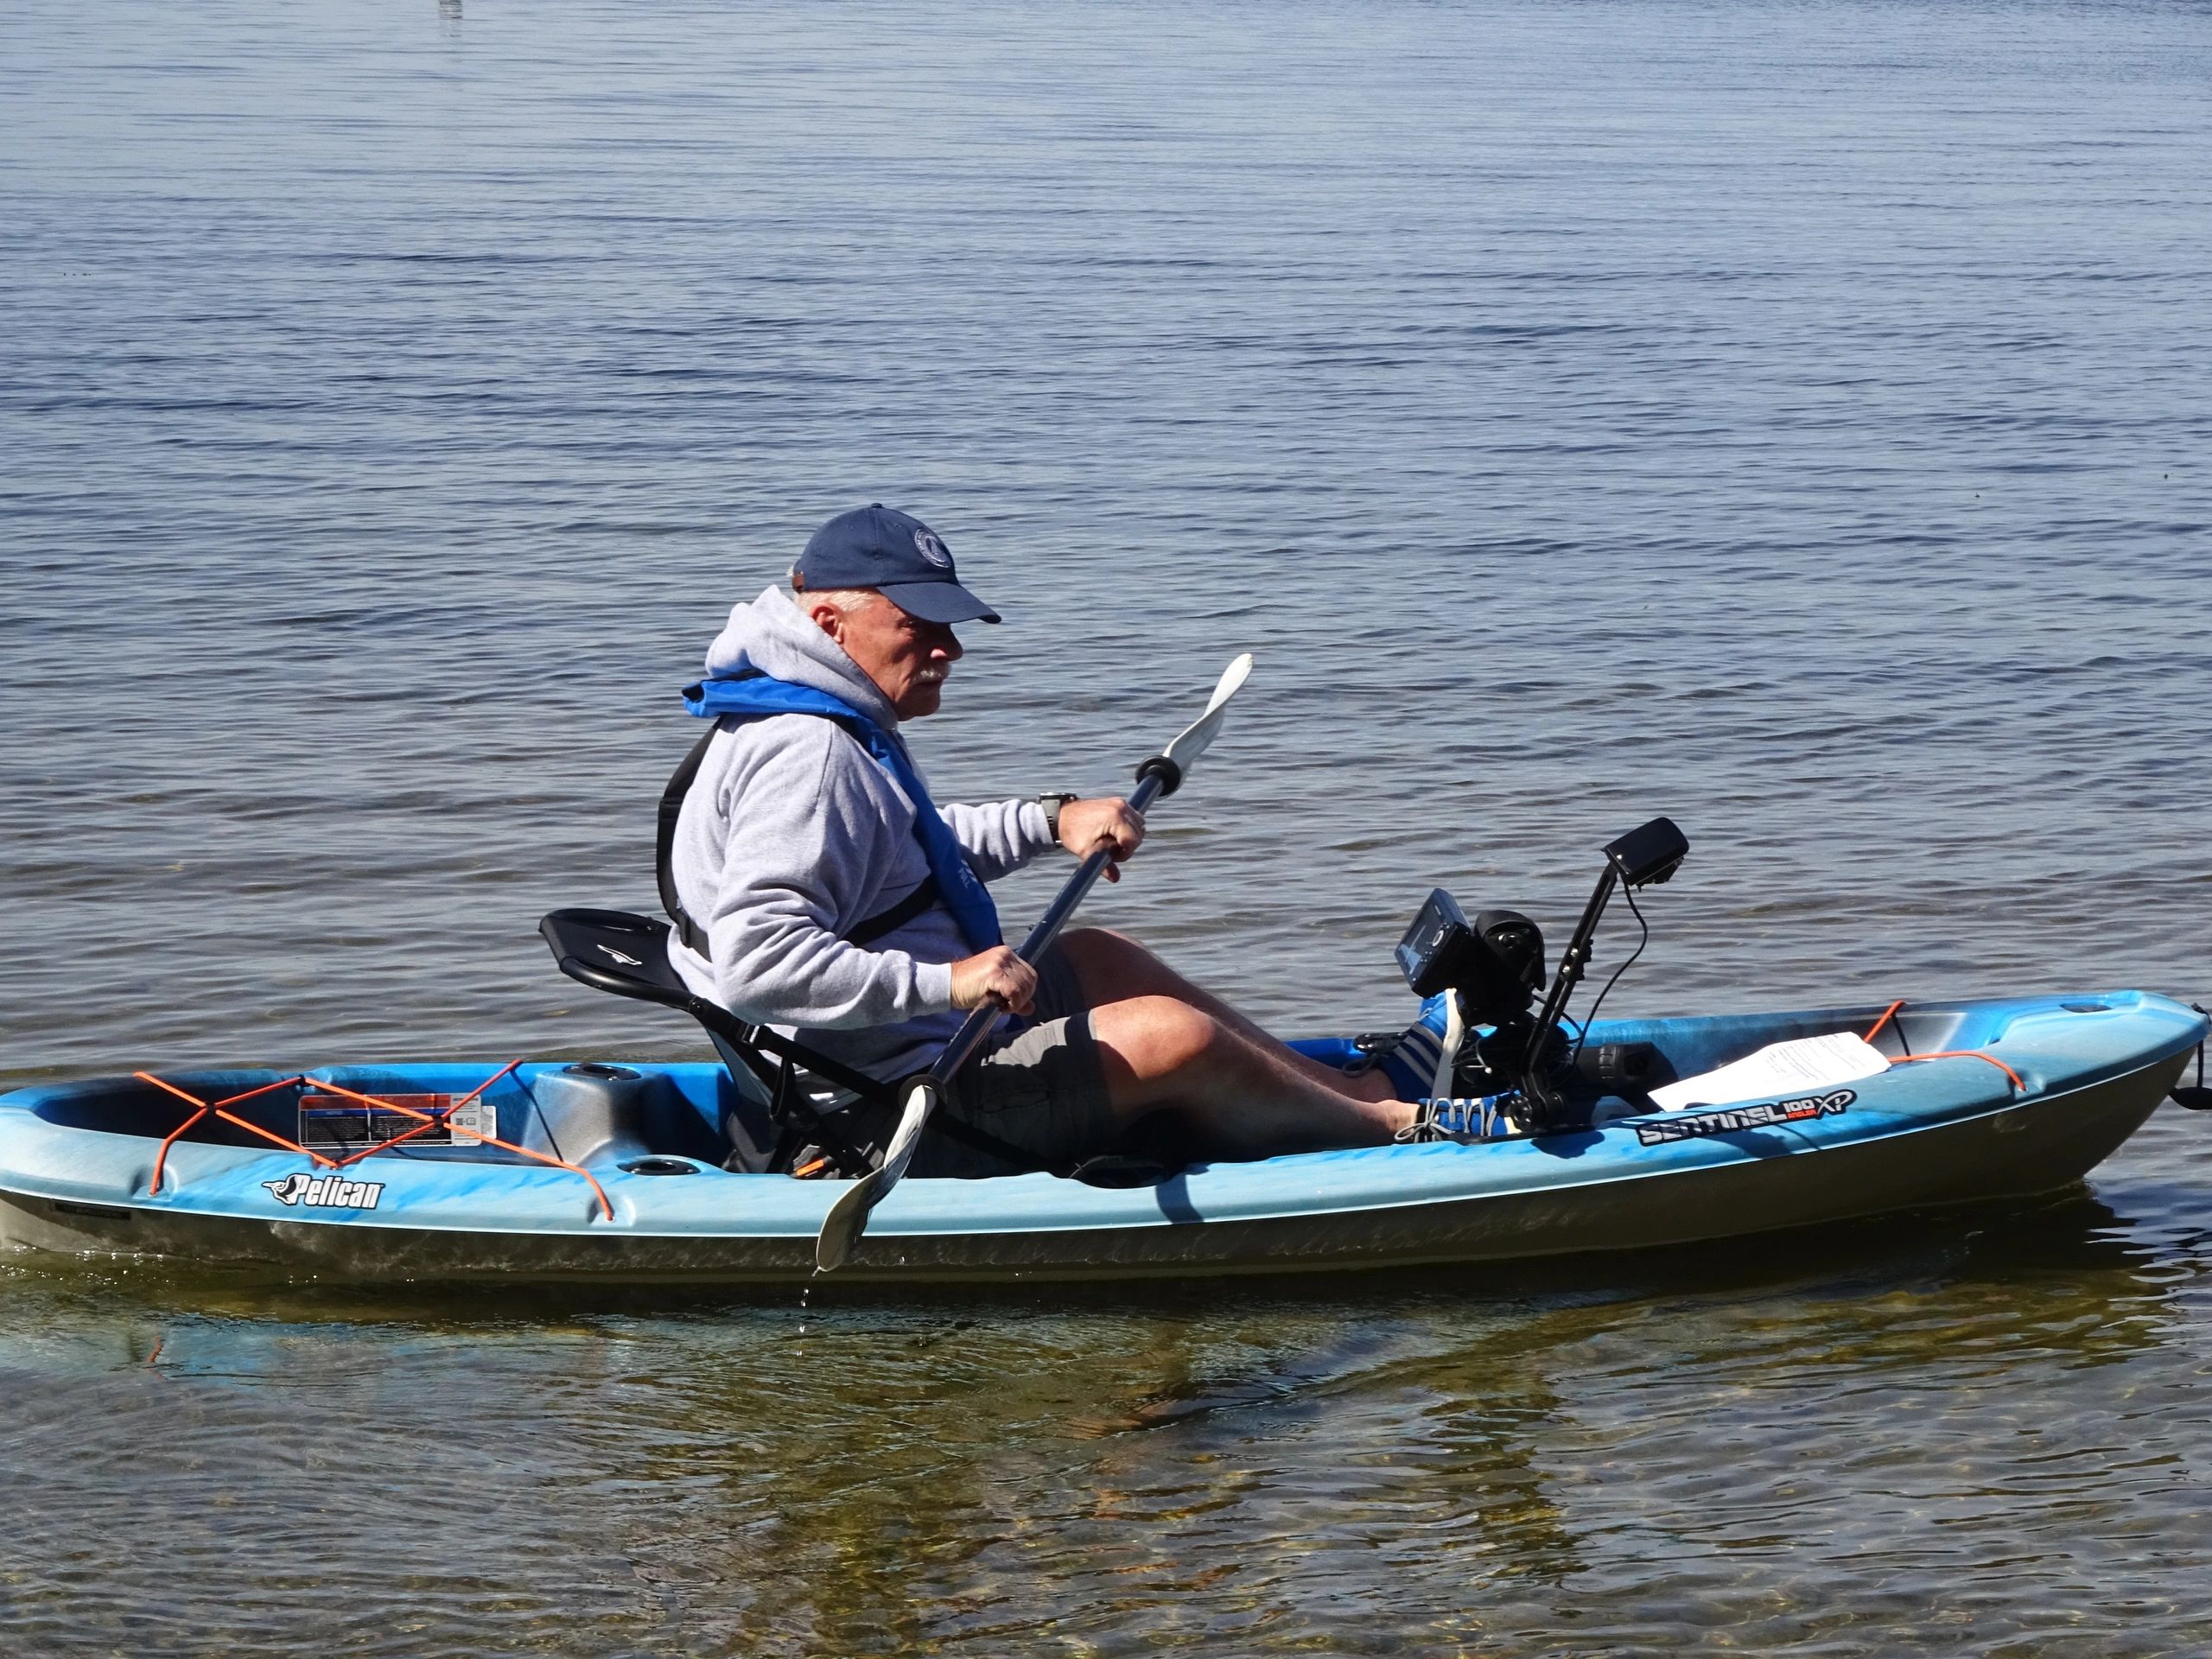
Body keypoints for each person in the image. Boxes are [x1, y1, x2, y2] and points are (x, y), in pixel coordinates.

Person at [666, 504, 1456, 1177]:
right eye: (918, 625)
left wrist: (1052, 820)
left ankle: (1356, 1088)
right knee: (1171, 1037)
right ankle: (1396, 1130)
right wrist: (952, 984)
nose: (950, 648)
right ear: (831, 622)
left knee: (1096, 956)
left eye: (950, 624)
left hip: (887, 1057)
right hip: (895, 1108)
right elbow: (756, 962)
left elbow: (906, 847)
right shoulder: (812, 754)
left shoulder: (809, 709)